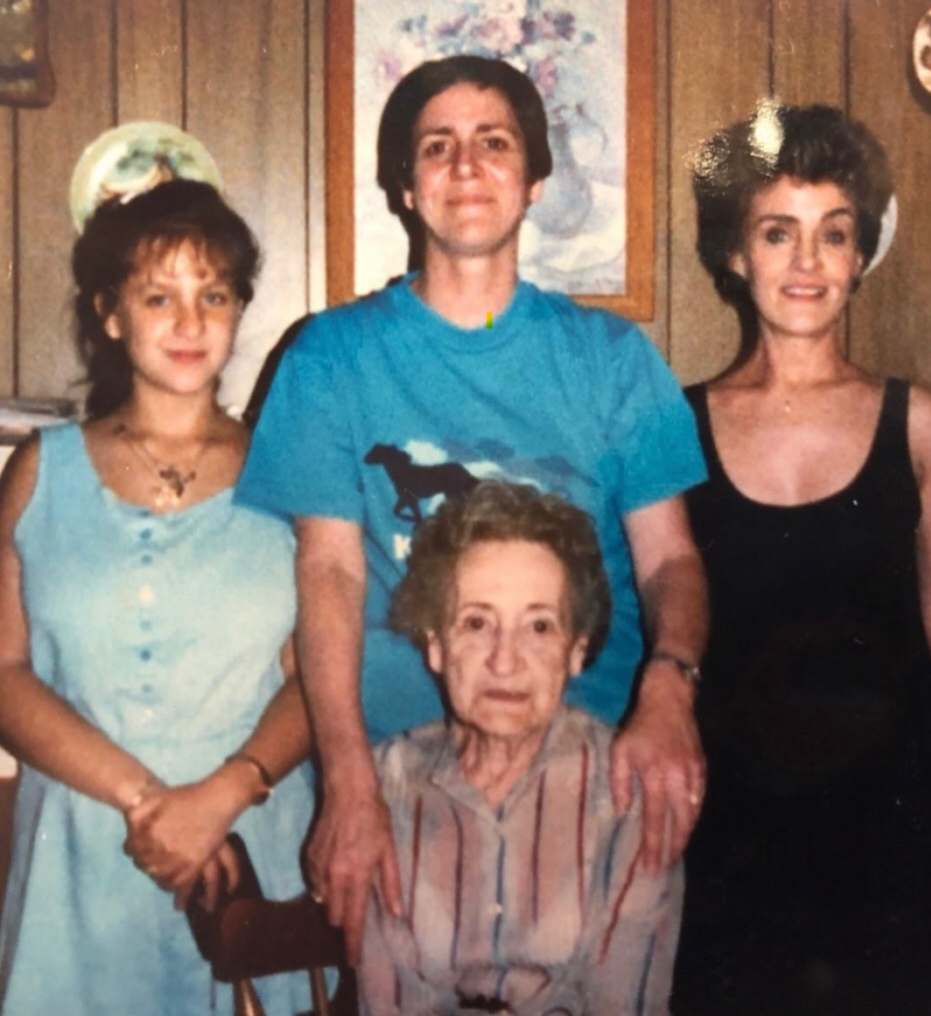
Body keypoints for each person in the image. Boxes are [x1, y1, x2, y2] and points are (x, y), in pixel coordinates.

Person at [237, 54, 708, 958]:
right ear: (405, 188)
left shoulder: (614, 360)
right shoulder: (331, 358)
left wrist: (670, 685)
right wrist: (347, 779)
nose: (465, 166)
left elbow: (671, 562)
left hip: (590, 783)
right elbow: (329, 573)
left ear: (534, 183)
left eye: (494, 143)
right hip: (397, 791)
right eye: (437, 147)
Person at [672, 103, 931, 1016]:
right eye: (777, 233)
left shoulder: (919, 424)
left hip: (903, 816)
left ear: (860, 254)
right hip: (743, 829)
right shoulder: (677, 427)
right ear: (734, 253)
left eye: (833, 234)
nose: (807, 262)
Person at [0, 177, 316, 1016]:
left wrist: (220, 798)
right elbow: (5, 673)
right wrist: (149, 803)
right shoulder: (38, 471)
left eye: (213, 295)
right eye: (158, 297)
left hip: (248, 856)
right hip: (81, 854)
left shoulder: (291, 475)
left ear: (240, 311)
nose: (189, 322)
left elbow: (318, 677)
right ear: (110, 314)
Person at [359, 481, 684, 1014]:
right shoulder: (383, 785)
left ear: (576, 650)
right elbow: (388, 1002)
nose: (504, 661)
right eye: (476, 623)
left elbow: (626, 1003)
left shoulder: (626, 793)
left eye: (538, 627)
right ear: (436, 645)